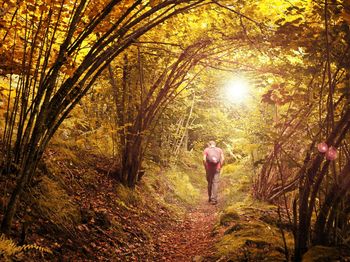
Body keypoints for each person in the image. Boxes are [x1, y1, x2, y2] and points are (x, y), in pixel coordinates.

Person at [203, 141, 224, 205]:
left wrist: (205, 167)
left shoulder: (206, 150)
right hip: (217, 168)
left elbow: (204, 159)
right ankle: (214, 200)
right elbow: (223, 159)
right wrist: (220, 166)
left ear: (209, 145)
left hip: (209, 169)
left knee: (210, 182)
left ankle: (209, 197)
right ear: (215, 145)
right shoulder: (219, 150)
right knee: (215, 183)